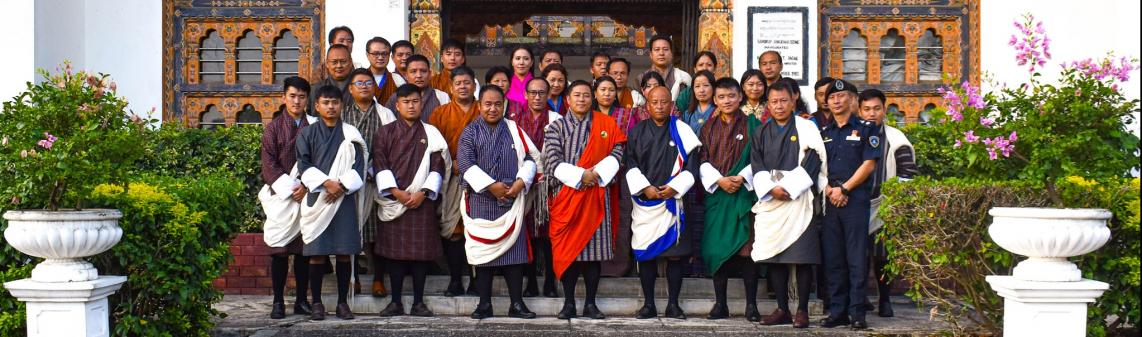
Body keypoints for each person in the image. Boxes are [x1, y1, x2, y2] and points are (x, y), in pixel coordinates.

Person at [543, 80, 627, 320]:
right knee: (568, 253)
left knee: (593, 254)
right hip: (567, 196)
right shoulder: (555, 128)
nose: (581, 99)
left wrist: (596, 174)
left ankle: (590, 304)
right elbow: (551, 161)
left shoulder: (606, 124)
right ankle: (568, 303)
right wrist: (582, 175)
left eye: (586, 96)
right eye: (576, 95)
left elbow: (618, 152)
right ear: (568, 99)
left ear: (593, 99)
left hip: (596, 196)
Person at [749, 80, 827, 329]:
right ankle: (782, 308)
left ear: (793, 100)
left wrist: (791, 188)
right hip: (772, 200)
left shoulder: (806, 127)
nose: (779, 106)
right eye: (774, 102)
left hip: (799, 198)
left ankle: (802, 309)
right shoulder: (761, 132)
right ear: (767, 104)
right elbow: (757, 166)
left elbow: (815, 160)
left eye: (784, 101)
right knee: (775, 256)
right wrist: (773, 189)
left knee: (802, 257)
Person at [460, 85, 541, 320]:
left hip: (512, 198)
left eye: (498, 104)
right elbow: (466, 166)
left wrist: (520, 182)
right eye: (488, 104)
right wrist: (491, 186)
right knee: (484, 255)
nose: (493, 109)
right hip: (481, 200)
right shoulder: (470, 132)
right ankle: (484, 304)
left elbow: (530, 158)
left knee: (514, 257)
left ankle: (516, 304)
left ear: (504, 105)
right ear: (479, 105)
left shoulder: (515, 129)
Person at [373, 84, 449, 317]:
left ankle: (418, 302)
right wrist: (396, 192)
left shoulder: (431, 132)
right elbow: (379, 164)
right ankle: (395, 301)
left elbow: (438, 165)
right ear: (397, 105)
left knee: (420, 255)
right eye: (406, 101)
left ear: (421, 103)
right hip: (395, 201)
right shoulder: (384, 133)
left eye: (415, 101)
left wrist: (423, 193)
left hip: (421, 201)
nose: (411, 105)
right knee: (394, 255)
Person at [626, 86, 701, 319]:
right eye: (654, 102)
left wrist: (675, 188)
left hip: (673, 201)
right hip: (646, 202)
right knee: (646, 254)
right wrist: (645, 188)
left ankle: (673, 305)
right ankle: (648, 304)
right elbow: (630, 163)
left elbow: (692, 165)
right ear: (647, 105)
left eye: (664, 102)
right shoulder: (637, 131)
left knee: (675, 255)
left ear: (671, 105)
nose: (659, 106)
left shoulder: (682, 130)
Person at [297, 85, 367, 320]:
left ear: (342, 105)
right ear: (316, 106)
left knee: (344, 253)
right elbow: (303, 165)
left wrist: (342, 186)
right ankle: (316, 302)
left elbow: (360, 166)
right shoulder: (307, 134)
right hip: (319, 198)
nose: (330, 106)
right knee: (317, 254)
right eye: (325, 102)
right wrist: (327, 183)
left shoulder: (351, 134)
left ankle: (342, 303)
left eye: (335, 102)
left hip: (344, 199)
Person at [818, 79, 881, 330]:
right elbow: (816, 167)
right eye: (831, 97)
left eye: (841, 96)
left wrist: (845, 189)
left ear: (852, 100)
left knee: (856, 257)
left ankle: (857, 313)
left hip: (855, 201)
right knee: (833, 258)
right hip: (830, 200)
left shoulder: (867, 129)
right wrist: (831, 190)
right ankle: (837, 312)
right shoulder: (824, 133)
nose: (836, 100)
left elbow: (869, 164)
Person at [698, 78, 762, 322]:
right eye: (722, 97)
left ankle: (752, 306)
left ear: (740, 98)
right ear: (715, 100)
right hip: (718, 195)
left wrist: (742, 177)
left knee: (747, 252)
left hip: (743, 196)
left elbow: (759, 156)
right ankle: (720, 304)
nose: (727, 101)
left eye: (731, 96)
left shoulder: (753, 125)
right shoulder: (707, 128)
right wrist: (720, 180)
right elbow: (701, 159)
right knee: (717, 250)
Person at [259, 76, 316, 320]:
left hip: (307, 195)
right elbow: (268, 164)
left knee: (304, 253)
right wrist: (292, 188)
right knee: (279, 252)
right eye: (292, 96)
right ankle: (278, 301)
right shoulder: (273, 128)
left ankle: (302, 300)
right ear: (284, 97)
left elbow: (321, 159)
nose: (296, 101)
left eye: (302, 97)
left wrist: (305, 185)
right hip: (282, 198)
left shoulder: (314, 126)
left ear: (307, 99)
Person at [858, 88, 917, 319]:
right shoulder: (853, 134)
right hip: (855, 205)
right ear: (859, 110)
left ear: (884, 110)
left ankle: (885, 299)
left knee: (883, 256)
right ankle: (860, 299)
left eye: (876, 109)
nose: (871, 114)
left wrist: (895, 202)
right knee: (857, 256)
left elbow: (908, 173)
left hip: (885, 205)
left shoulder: (896, 139)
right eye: (866, 109)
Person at [343, 68, 397, 298]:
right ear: (350, 88)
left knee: (379, 233)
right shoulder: (342, 115)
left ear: (374, 87)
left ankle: (378, 279)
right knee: (351, 231)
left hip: (377, 180)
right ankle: (352, 278)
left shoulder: (386, 114)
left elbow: (394, 147)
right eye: (359, 82)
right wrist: (354, 173)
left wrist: (374, 170)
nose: (364, 86)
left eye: (368, 82)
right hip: (350, 183)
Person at [427, 65, 481, 297]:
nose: (462, 87)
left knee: (476, 229)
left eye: (467, 82)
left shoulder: (483, 110)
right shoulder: (439, 114)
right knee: (453, 230)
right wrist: (453, 163)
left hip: (479, 179)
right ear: (450, 88)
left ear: (474, 85)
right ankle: (455, 279)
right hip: (450, 178)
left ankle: (477, 280)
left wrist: (470, 165)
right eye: (458, 83)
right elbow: (434, 147)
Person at [510, 77, 564, 298]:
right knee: (527, 234)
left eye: (542, 93)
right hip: (523, 184)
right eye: (533, 92)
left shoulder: (557, 119)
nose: (537, 97)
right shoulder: (514, 121)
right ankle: (530, 281)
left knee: (549, 235)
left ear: (548, 94)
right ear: (525, 94)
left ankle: (550, 281)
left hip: (550, 185)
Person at [595, 75, 640, 277]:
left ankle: (620, 266)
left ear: (616, 94)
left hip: (621, 176)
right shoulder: (588, 115)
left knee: (621, 219)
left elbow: (633, 144)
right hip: (593, 176)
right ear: (595, 93)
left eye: (611, 90)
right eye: (602, 89)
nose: (607, 93)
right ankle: (595, 266)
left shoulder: (627, 115)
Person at [384, 54, 451, 122]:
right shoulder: (395, 98)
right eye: (413, 71)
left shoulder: (442, 97)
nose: (419, 75)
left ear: (430, 74)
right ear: (406, 75)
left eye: (423, 71)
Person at [641, 35, 691, 100]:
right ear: (651, 54)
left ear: (671, 54)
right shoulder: (641, 78)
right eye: (657, 49)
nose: (661, 53)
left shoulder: (683, 77)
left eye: (665, 49)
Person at [310, 44, 354, 114]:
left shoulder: (359, 88)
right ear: (327, 63)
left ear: (350, 62)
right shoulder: (316, 89)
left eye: (343, 62)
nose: (339, 66)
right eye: (334, 62)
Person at [365, 37, 398, 104]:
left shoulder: (397, 79)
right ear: (367, 55)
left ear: (389, 55)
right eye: (376, 54)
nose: (380, 57)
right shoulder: (359, 78)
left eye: (384, 54)